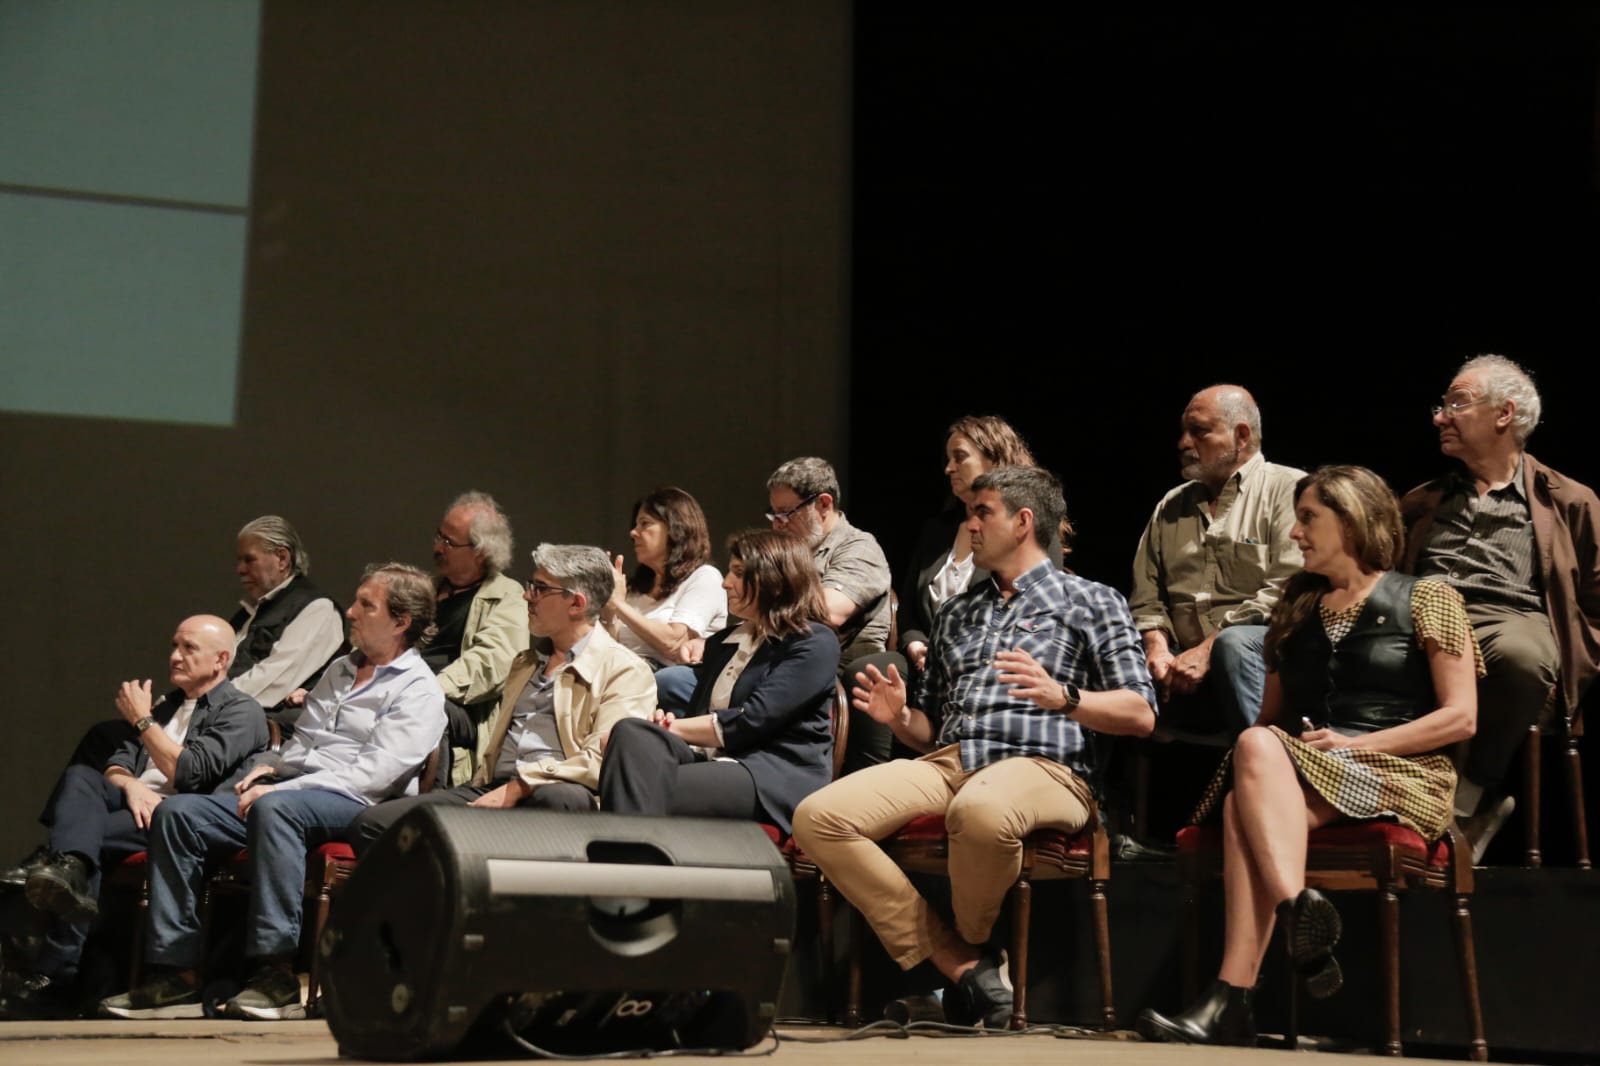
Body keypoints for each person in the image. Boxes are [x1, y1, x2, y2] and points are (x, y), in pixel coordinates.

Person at [791, 466, 1157, 1029]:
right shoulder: (958, 612)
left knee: (980, 810)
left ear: (1023, 522)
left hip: (1047, 768)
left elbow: (1141, 714)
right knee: (819, 817)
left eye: (982, 513)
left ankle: (968, 955)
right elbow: (931, 728)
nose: (970, 526)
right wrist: (900, 718)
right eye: (969, 514)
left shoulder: (1090, 600)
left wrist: (1064, 697)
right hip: (953, 761)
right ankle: (966, 966)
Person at [1136, 466, 1481, 1047]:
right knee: (1245, 788)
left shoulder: (1428, 597)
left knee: (1248, 771)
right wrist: (1273, 762)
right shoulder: (1295, 606)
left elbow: (1461, 717)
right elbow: (1271, 719)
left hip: (1402, 772)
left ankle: (1243, 980)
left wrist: (1354, 744)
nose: (1294, 533)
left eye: (1307, 518)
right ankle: (1265, 953)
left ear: (1353, 520)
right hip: (1317, 770)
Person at [99, 564, 446, 1022]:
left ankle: (276, 974)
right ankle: (176, 974)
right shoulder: (341, 670)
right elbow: (305, 744)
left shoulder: (419, 689)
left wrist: (283, 787)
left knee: (278, 809)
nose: (351, 611)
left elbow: (372, 777)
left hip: (358, 805)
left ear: (400, 622)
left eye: (366, 605)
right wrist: (272, 766)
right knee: (179, 813)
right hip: (295, 792)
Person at [3, 516, 342, 888]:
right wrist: (176, 707)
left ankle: (60, 853)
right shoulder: (249, 612)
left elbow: (272, 679)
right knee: (102, 741)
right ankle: (65, 850)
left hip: (246, 724)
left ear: (282, 557)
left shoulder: (316, 608)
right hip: (202, 708)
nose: (240, 569)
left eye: (249, 559)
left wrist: (197, 698)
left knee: (135, 744)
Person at [0, 617, 269, 1020]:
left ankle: (56, 972)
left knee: (80, 846)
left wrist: (143, 721)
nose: (175, 656)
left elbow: (191, 774)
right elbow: (116, 764)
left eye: (189, 648)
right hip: (136, 805)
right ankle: (69, 870)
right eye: (174, 645)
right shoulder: (166, 706)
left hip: (180, 818)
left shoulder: (242, 711)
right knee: (81, 778)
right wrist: (131, 785)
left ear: (221, 660)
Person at [1400, 354, 1600, 862]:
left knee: (1522, 657)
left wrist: (1577, 660)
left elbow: (1596, 601)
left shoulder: (1569, 501)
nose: (1440, 417)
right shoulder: (1422, 501)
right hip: (1423, 612)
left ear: (1505, 414)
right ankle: (1379, 800)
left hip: (1510, 616)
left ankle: (1467, 799)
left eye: (1457, 404)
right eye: (1442, 405)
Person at [349, 545, 656, 851]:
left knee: (562, 797)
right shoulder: (526, 663)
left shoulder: (625, 670)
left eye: (540, 588)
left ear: (576, 603)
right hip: (495, 787)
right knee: (372, 825)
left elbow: (604, 762)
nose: (527, 596)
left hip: (552, 793)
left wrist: (522, 786)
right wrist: (498, 789)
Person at [599, 530, 838, 837]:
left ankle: (624, 864)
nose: (726, 583)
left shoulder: (814, 643)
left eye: (738, 573)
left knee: (641, 784)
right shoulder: (722, 643)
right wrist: (664, 725)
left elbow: (753, 719)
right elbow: (699, 714)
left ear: (775, 580)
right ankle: (634, 862)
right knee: (630, 732)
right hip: (711, 759)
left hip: (769, 772)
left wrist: (672, 728)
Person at [1129, 385, 1304, 735]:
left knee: (1232, 645)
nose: (1183, 443)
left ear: (1241, 435)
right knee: (1105, 645)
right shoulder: (1171, 505)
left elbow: (1288, 589)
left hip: (1259, 651)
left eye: (1199, 431)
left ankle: (1270, 756)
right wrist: (1157, 648)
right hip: (1177, 656)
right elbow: (1147, 597)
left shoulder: (1290, 490)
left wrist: (1208, 649)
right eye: (1184, 431)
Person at [766, 456, 901, 770]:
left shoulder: (859, 548)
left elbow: (828, 612)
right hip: (782, 662)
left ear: (823, 504)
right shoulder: (790, 552)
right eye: (774, 514)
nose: (777, 524)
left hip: (832, 671)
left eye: (786, 513)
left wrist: (765, 604)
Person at [896, 415, 1058, 674]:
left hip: (993, 662)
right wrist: (915, 644)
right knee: (869, 671)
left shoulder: (1027, 530)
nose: (949, 468)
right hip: (927, 662)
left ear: (994, 460)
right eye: (948, 459)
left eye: (960, 457)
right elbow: (908, 608)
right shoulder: (936, 530)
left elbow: (1038, 612)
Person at [426, 491, 531, 782]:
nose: (438, 547)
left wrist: (423, 689)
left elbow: (491, 664)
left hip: (459, 706)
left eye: (449, 542)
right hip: (404, 691)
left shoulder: (508, 596)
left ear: (481, 552)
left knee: (426, 710)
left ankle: (430, 803)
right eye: (439, 536)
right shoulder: (425, 591)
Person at [602, 487, 727, 711]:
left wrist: (618, 605)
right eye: (636, 524)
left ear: (676, 529)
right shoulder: (633, 588)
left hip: (667, 684)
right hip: (623, 674)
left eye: (645, 524)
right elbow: (611, 647)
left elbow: (674, 643)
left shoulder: (704, 577)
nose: (633, 532)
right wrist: (609, 610)